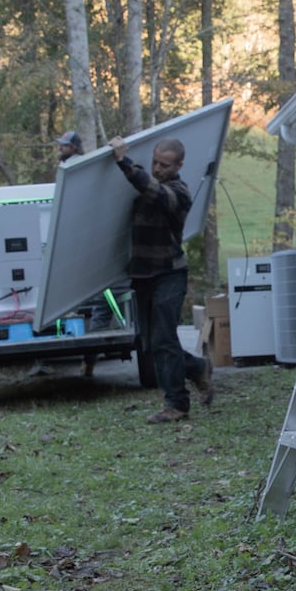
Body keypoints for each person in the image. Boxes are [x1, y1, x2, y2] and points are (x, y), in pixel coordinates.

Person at [110, 134, 213, 422]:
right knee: (151, 342)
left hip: (170, 273)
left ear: (179, 165)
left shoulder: (179, 192)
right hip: (142, 275)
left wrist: (123, 161)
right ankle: (196, 368)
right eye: (155, 162)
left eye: (165, 165)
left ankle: (177, 404)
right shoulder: (145, 187)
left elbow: (155, 192)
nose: (157, 168)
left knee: (164, 340)